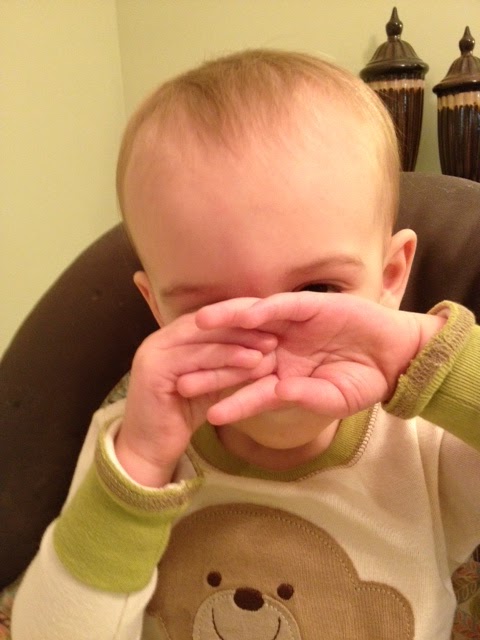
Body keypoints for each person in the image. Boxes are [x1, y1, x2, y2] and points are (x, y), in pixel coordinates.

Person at [11, 49, 480, 640]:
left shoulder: (426, 445)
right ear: (157, 309)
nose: (271, 345)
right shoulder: (132, 452)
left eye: (317, 290)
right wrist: (138, 473)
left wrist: (429, 358)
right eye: (212, 309)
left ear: (390, 277)